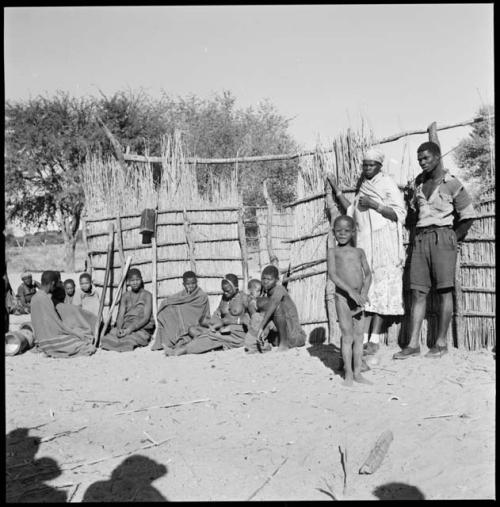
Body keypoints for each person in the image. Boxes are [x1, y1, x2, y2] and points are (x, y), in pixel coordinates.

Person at [393, 141, 475, 359]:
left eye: (426, 158)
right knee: (418, 292)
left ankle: (441, 343)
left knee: (444, 291)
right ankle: (412, 344)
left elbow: (467, 216)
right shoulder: (419, 185)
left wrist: (451, 238)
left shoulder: (452, 183)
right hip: (420, 239)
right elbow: (411, 216)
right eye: (419, 159)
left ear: (438, 157)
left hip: (443, 237)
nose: (422, 162)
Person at [328, 147, 407, 354]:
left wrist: (374, 204)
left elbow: (400, 213)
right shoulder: (363, 186)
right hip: (366, 244)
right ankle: (362, 336)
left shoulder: (387, 183)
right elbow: (351, 210)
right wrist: (337, 191)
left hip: (385, 246)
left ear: (380, 166)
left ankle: (375, 338)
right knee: (368, 288)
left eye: (371, 165)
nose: (367, 168)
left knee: (382, 288)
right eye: (364, 165)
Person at [327, 215, 372, 386]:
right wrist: (350, 292)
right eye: (339, 231)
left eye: (347, 231)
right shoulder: (332, 252)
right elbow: (333, 275)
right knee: (347, 336)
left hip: (359, 299)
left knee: (359, 336)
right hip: (343, 298)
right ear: (334, 233)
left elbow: (368, 274)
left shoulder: (359, 252)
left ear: (353, 232)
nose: (343, 234)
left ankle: (358, 373)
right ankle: (348, 374)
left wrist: (364, 292)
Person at [166, 274, 249, 356]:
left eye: (228, 290)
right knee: (193, 329)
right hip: (222, 329)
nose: (225, 293)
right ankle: (210, 345)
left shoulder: (244, 298)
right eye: (223, 290)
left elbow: (250, 319)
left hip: (236, 333)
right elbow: (217, 313)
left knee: (209, 336)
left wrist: (234, 321)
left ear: (235, 286)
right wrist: (212, 324)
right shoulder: (224, 298)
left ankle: (182, 350)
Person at [30, 270, 96, 357]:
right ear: (53, 283)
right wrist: (73, 332)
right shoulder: (44, 298)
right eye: (56, 284)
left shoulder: (35, 297)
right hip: (49, 338)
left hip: (40, 337)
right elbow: (56, 322)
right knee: (81, 342)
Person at [151, 271, 210, 353]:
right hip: (184, 325)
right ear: (184, 284)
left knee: (181, 311)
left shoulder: (202, 296)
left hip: (196, 325)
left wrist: (181, 310)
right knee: (167, 311)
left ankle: (180, 341)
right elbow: (172, 299)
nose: (191, 286)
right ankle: (172, 340)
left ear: (196, 282)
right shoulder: (182, 294)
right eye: (188, 284)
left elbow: (203, 314)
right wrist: (166, 303)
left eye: (193, 283)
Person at [100, 268, 154, 352]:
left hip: (140, 326)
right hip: (126, 324)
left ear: (141, 280)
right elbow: (121, 315)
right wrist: (119, 329)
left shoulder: (147, 295)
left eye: (137, 280)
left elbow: (146, 318)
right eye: (132, 280)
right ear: (128, 282)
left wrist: (130, 329)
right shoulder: (125, 296)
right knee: (107, 338)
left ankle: (126, 341)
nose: (135, 282)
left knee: (130, 340)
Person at [256, 265, 306, 351]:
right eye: (263, 279)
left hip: (294, 337)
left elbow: (273, 305)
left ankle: (284, 345)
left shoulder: (279, 289)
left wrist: (261, 327)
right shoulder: (268, 293)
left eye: (269, 279)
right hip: (281, 336)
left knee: (276, 307)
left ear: (277, 280)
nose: (265, 282)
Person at [244, 279, 274, 353]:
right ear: (249, 291)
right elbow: (254, 317)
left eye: (260, 291)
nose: (259, 293)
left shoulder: (253, 300)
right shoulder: (252, 302)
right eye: (257, 291)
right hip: (254, 327)